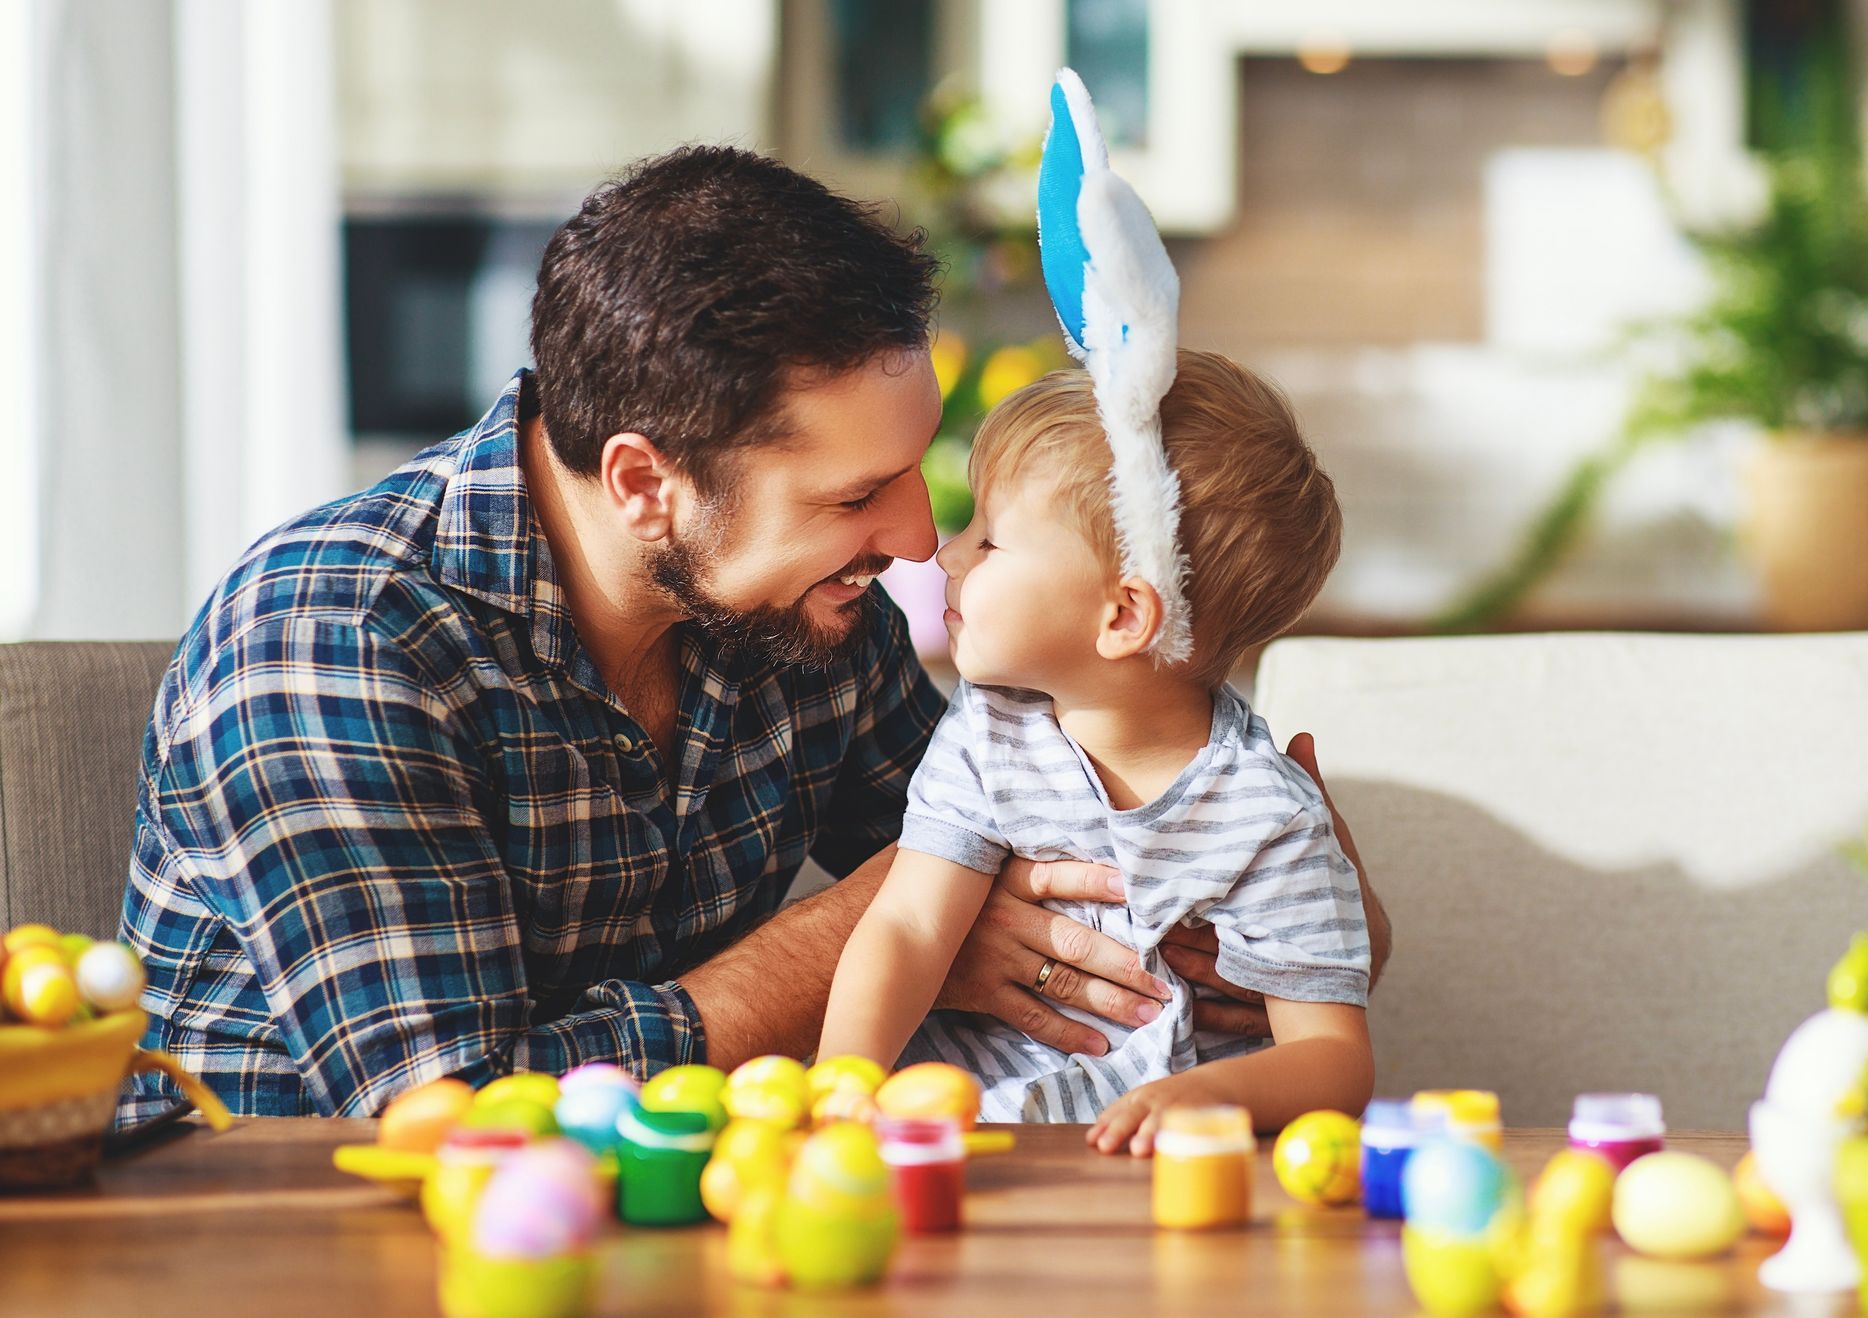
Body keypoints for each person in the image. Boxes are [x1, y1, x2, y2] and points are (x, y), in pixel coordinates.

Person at [118, 145, 1388, 1124]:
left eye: (910, 472)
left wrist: (1246, 920)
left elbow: (1039, 879)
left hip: (681, 1213)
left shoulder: (795, 605)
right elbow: (459, 1116)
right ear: (644, 485)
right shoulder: (338, 641)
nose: (911, 537)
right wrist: (878, 933)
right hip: (282, 1233)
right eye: (851, 496)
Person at [817, 72, 1372, 1155]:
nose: (946, 549)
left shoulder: (1269, 815)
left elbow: (1336, 1059)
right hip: (975, 1149)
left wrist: (1216, 1096)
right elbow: (907, 927)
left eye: (990, 533)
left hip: (1152, 1169)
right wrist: (843, 1085)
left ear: (1124, 614)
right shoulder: (990, 738)